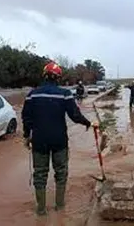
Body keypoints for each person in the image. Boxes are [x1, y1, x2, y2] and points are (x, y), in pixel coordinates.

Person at [21, 62, 97, 216]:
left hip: (39, 141)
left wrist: (26, 136)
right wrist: (88, 123)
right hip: (59, 141)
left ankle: (41, 211)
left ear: (44, 75)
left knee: (40, 175)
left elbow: (26, 118)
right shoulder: (65, 94)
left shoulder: (32, 94)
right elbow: (75, 115)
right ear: (58, 78)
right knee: (61, 173)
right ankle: (60, 208)